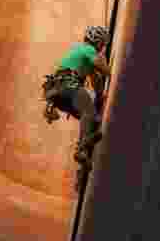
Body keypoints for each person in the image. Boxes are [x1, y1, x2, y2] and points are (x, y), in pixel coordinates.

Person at [42, 25, 111, 164]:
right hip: (68, 84)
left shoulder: (78, 52)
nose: (102, 47)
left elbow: (96, 82)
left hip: (56, 89)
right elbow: (105, 71)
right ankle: (81, 149)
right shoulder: (89, 49)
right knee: (89, 113)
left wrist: (99, 97)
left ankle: (84, 150)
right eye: (103, 44)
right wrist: (104, 61)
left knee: (92, 120)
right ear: (99, 42)